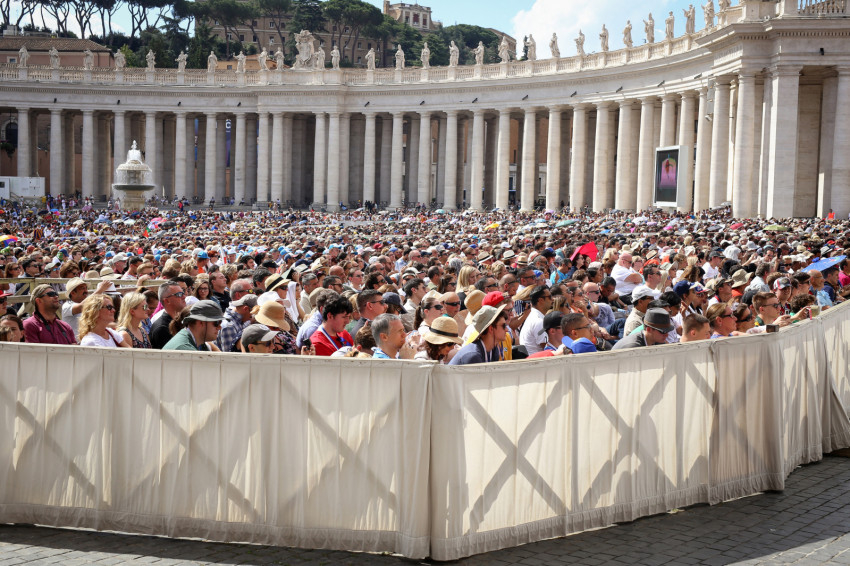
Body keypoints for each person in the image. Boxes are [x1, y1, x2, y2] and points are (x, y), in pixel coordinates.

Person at [150, 281, 187, 349]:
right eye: (179, 294)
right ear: (167, 301)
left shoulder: (181, 320)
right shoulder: (162, 329)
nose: (184, 297)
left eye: (183, 293)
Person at [518, 285, 551, 355]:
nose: (553, 299)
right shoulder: (538, 321)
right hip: (537, 360)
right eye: (550, 297)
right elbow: (547, 348)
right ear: (541, 300)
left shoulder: (535, 316)